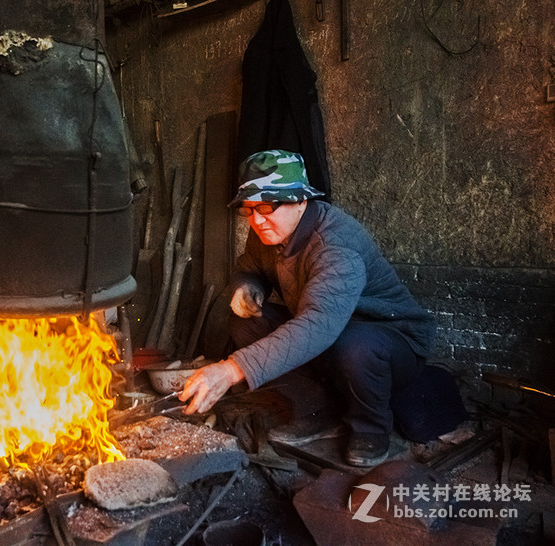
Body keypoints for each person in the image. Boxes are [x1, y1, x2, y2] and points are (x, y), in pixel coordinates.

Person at [179, 149, 437, 467]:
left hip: (389, 344)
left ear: (301, 201)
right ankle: (318, 412)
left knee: (354, 344)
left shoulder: (335, 246)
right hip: (328, 335)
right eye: (249, 210)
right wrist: (248, 287)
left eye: (267, 206)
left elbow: (319, 325)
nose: (257, 220)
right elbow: (249, 267)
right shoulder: (267, 232)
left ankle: (371, 429)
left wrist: (232, 369)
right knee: (245, 325)